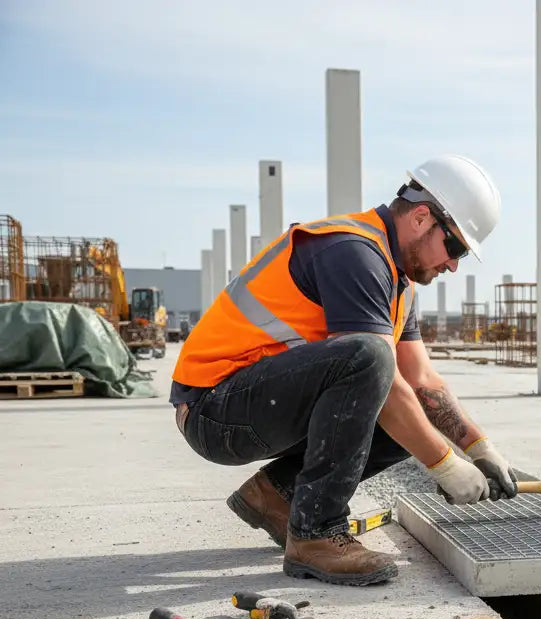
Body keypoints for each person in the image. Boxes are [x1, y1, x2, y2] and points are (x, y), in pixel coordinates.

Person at [171, 155, 519, 587]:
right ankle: (316, 533)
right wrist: (446, 465)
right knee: (370, 358)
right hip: (213, 411)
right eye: (456, 248)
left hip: (254, 402)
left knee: (404, 414)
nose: (453, 265)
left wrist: (479, 447)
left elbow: (422, 383)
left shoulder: (398, 281)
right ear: (422, 218)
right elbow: (380, 376)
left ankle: (278, 497)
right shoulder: (353, 252)